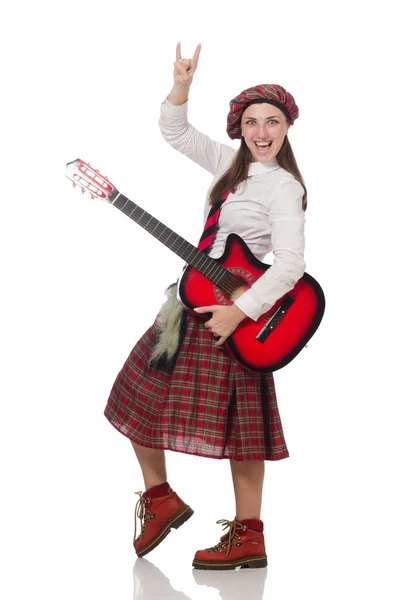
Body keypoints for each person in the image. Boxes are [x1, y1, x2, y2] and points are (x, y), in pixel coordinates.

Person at [104, 42, 307, 571]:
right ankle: (161, 498)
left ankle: (249, 536)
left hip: (237, 317)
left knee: (245, 427)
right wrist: (182, 85)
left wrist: (241, 312)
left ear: (287, 129)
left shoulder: (284, 187)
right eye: (253, 122)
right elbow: (174, 132)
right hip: (192, 304)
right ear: (238, 128)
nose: (262, 132)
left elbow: (288, 266)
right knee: (133, 393)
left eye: (274, 122)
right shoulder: (228, 164)